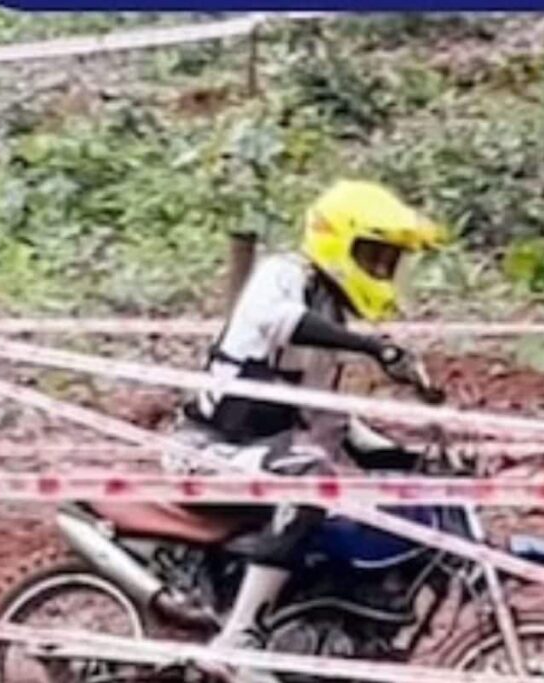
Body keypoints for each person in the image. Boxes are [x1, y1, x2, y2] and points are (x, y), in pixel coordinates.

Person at [171, 179, 447, 682]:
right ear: (341, 242)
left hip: (261, 457)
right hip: (208, 450)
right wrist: (370, 347)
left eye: (389, 263)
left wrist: (403, 457)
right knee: (311, 480)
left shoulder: (332, 316)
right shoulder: (282, 276)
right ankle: (237, 639)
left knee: (337, 492)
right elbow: (277, 321)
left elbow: (328, 422)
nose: (382, 272)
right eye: (376, 257)